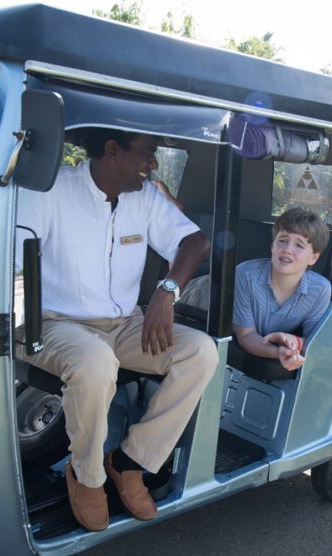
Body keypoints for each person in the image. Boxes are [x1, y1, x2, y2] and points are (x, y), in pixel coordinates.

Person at [16, 128, 218, 532]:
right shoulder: (49, 192)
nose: (154, 164)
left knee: (201, 352)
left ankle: (130, 462)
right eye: (146, 153)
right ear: (112, 151)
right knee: (96, 363)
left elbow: (195, 242)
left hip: (126, 324)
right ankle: (87, 476)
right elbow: (10, 256)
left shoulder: (144, 197)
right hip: (56, 323)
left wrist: (167, 290)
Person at [232, 208, 332, 372]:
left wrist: (292, 341)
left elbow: (313, 342)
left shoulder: (320, 289)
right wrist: (278, 352)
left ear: (314, 257)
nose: (287, 249)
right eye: (282, 240)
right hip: (202, 295)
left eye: (299, 245)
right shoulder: (245, 275)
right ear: (272, 246)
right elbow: (246, 336)